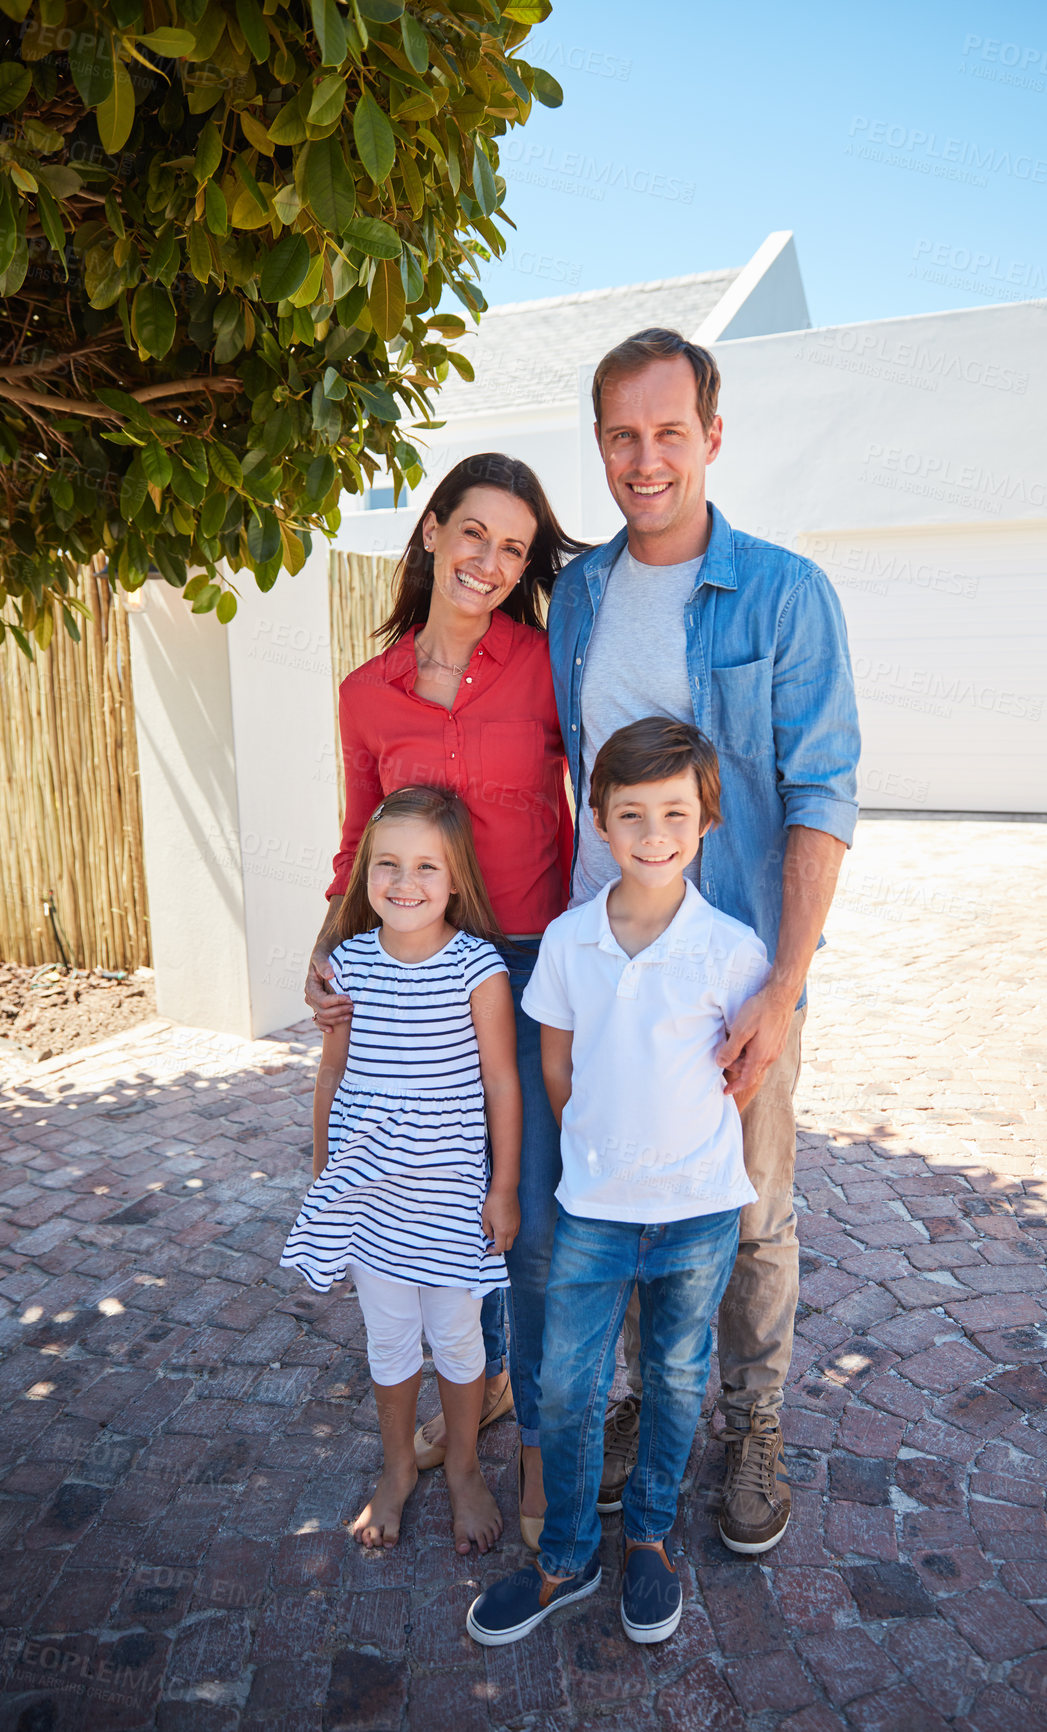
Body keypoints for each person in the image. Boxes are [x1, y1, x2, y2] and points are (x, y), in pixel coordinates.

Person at [547, 328, 860, 1555]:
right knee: (623, 1190)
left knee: (750, 1212)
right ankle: (639, 1401)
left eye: (669, 431)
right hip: (607, 961)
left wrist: (779, 987)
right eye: (622, 434)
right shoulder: (576, 594)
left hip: (734, 977)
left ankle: (752, 1422)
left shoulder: (783, 591)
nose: (645, 457)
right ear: (600, 445)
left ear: (711, 437)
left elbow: (821, 793)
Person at [304, 454, 584, 1547]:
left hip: (527, 958)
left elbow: (598, 795)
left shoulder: (547, 664)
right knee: (430, 1185)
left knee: (524, 1208)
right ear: (429, 532)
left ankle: (527, 1448)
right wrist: (328, 954)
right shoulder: (364, 693)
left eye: (514, 548)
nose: (490, 562)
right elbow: (358, 836)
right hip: (413, 967)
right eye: (474, 534)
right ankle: (481, 1387)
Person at [467, 718, 768, 1647]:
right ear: (598, 820)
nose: (652, 832)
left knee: (678, 1380)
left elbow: (739, 1083)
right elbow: (556, 1071)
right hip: (594, 1209)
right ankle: (564, 1555)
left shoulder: (733, 950)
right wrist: (603, 1148)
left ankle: (648, 1540)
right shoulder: (566, 943)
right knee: (566, 1383)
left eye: (674, 812)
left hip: (697, 1213)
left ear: (706, 820)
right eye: (630, 813)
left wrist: (687, 1164)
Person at [283, 786, 521, 1554]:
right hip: (371, 1195)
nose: (405, 882)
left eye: (427, 867)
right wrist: (324, 1166)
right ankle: (396, 1470)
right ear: (365, 875)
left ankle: (461, 1469)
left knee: (457, 1341)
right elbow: (331, 1075)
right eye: (387, 864)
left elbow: (500, 1084)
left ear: (456, 881)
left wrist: (504, 1186)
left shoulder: (476, 967)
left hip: (449, 1194)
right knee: (388, 1340)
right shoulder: (349, 963)